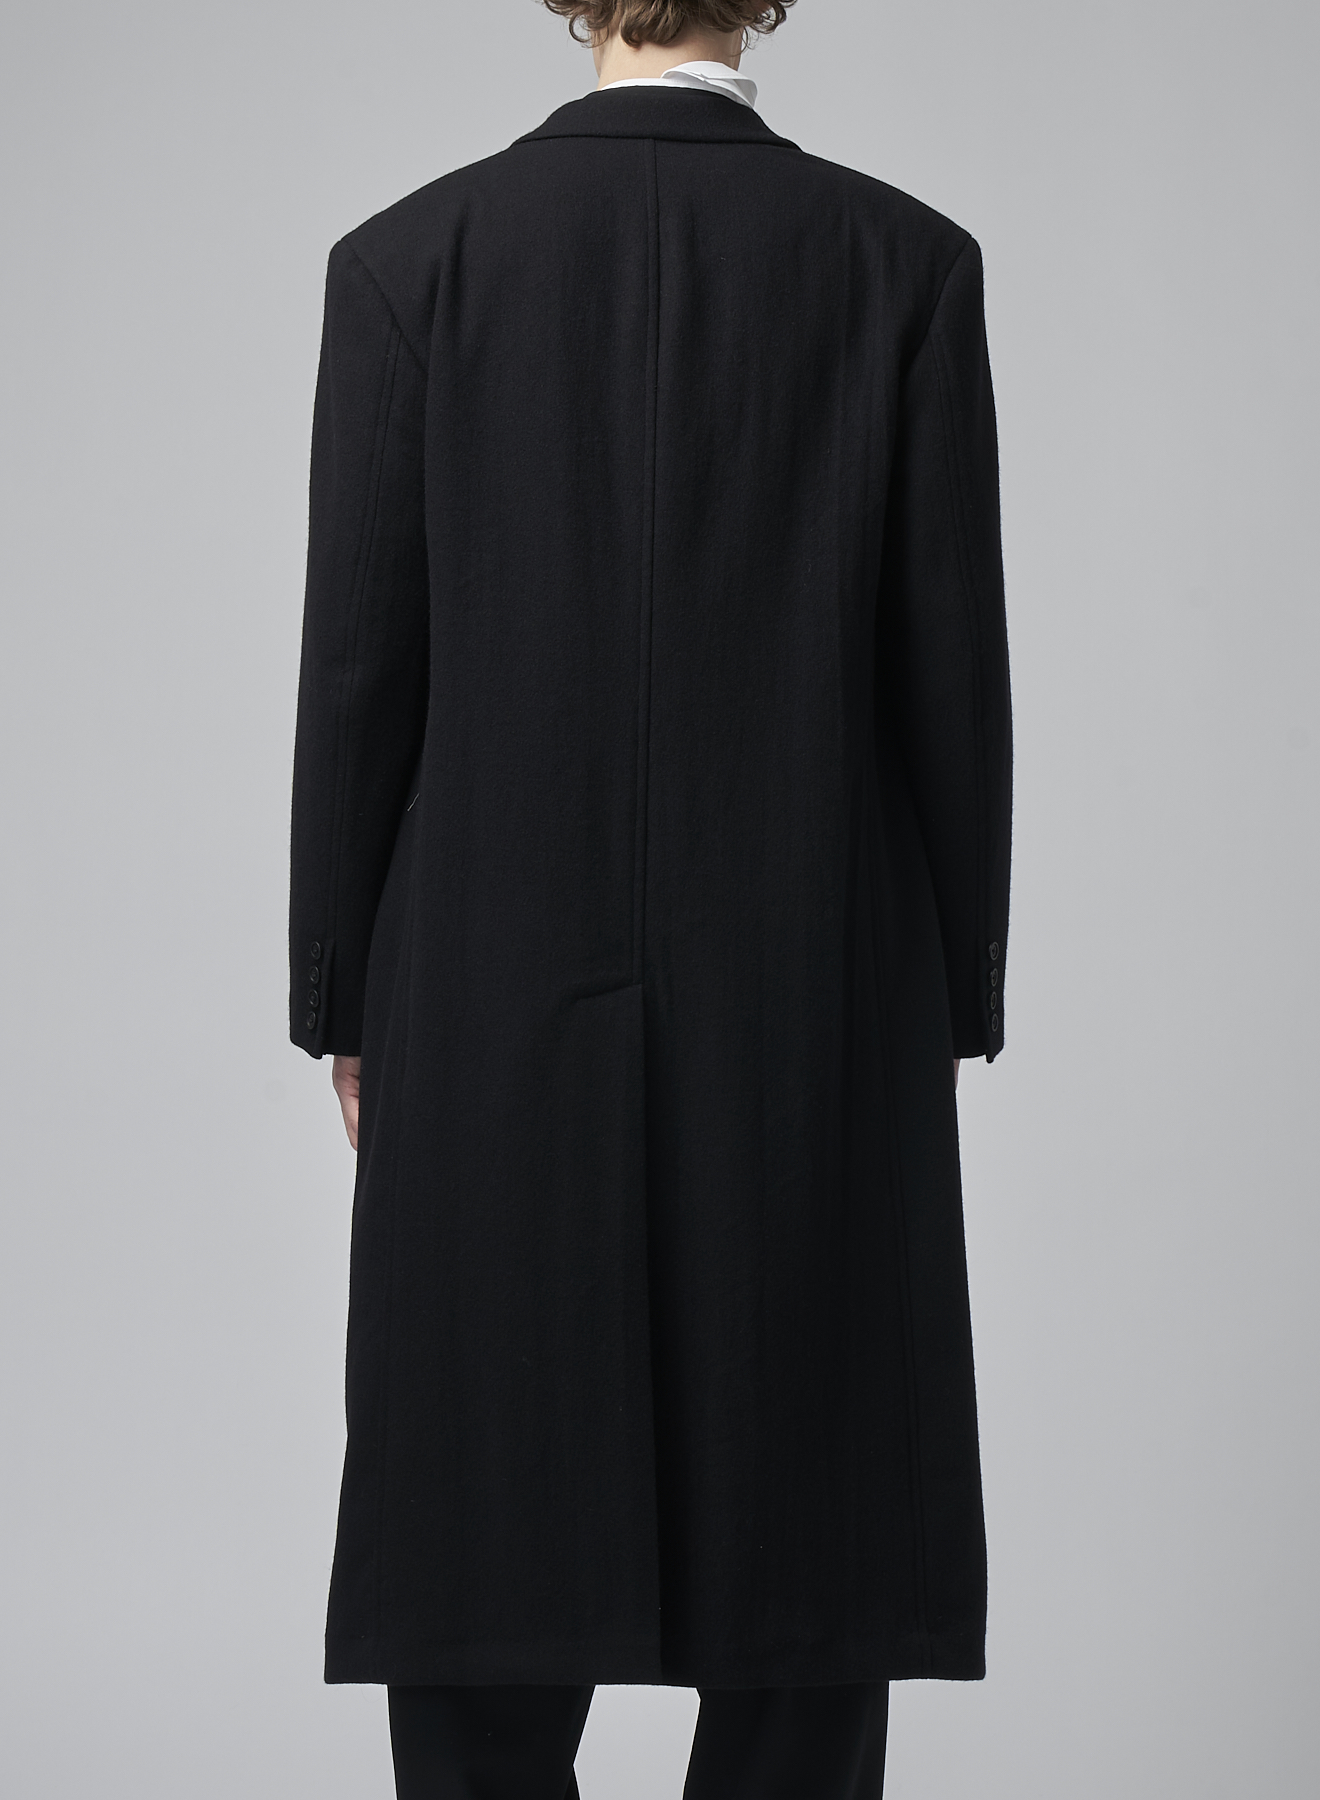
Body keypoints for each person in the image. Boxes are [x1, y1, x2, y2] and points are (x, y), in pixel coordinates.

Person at [288, 0, 1012, 1792]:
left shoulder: (410, 263)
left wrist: (346, 997)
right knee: (808, 1570)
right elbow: (953, 678)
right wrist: (950, 992)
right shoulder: (901, 265)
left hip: (480, 981)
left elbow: (363, 668)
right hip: (816, 986)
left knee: (483, 1557)